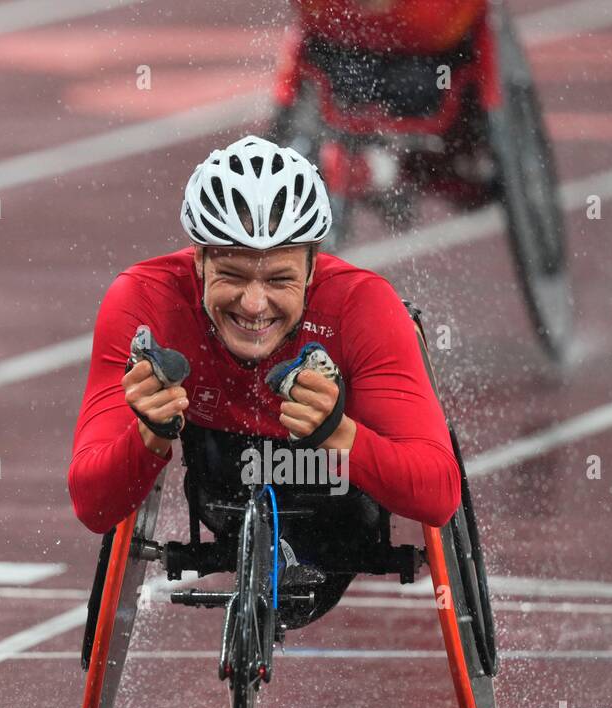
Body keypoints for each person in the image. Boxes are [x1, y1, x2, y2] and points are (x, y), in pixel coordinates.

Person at [68, 135, 459, 626]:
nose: (253, 305)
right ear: (199, 261)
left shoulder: (363, 307)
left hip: (337, 498)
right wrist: (149, 432)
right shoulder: (143, 301)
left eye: (278, 280)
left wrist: (336, 434)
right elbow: (92, 505)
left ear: (314, 267)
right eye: (232, 274)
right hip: (220, 487)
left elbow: (439, 495)